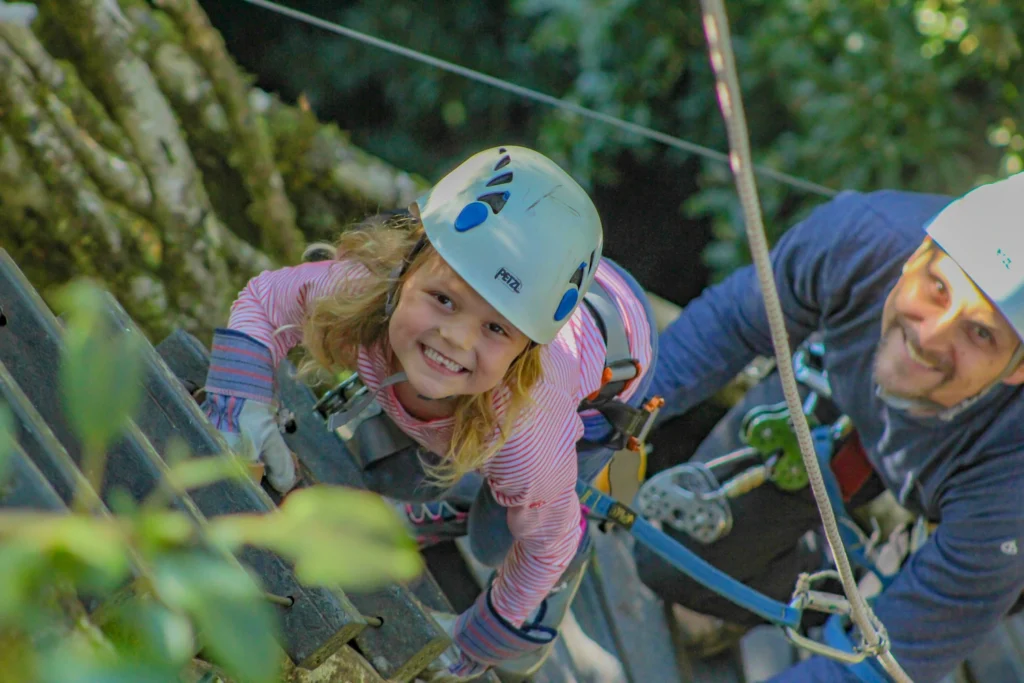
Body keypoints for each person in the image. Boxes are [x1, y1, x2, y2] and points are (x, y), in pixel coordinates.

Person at [200, 145, 659, 680]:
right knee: (407, 460)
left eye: (495, 328)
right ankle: (446, 503)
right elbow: (263, 302)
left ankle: (521, 605)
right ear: (406, 270)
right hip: (543, 272)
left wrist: (476, 642)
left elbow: (546, 542)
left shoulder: (526, 436)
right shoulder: (364, 288)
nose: (454, 339)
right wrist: (241, 408)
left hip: (614, 364)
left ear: (523, 354)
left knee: (500, 536)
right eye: (443, 299)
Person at [635, 171, 1024, 682]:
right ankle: (853, 556)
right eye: (937, 287)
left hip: (993, 504)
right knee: (671, 555)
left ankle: (937, 582)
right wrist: (600, 425)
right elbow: (729, 325)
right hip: (853, 398)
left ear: (1018, 368)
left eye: (979, 332)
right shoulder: (860, 238)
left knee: (963, 590)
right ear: (917, 252)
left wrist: (937, 612)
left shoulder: (1011, 486)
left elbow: (878, 669)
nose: (931, 336)